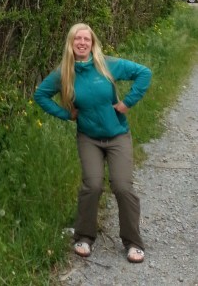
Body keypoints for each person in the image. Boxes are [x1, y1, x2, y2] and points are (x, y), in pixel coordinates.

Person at [34, 22, 151, 264]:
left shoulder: (106, 64)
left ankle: (133, 242)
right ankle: (84, 237)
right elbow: (40, 95)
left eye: (86, 39)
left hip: (118, 135)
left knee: (122, 187)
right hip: (89, 138)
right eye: (77, 39)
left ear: (93, 43)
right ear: (71, 43)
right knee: (93, 185)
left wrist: (127, 103)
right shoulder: (64, 72)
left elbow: (144, 73)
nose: (82, 43)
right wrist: (67, 114)